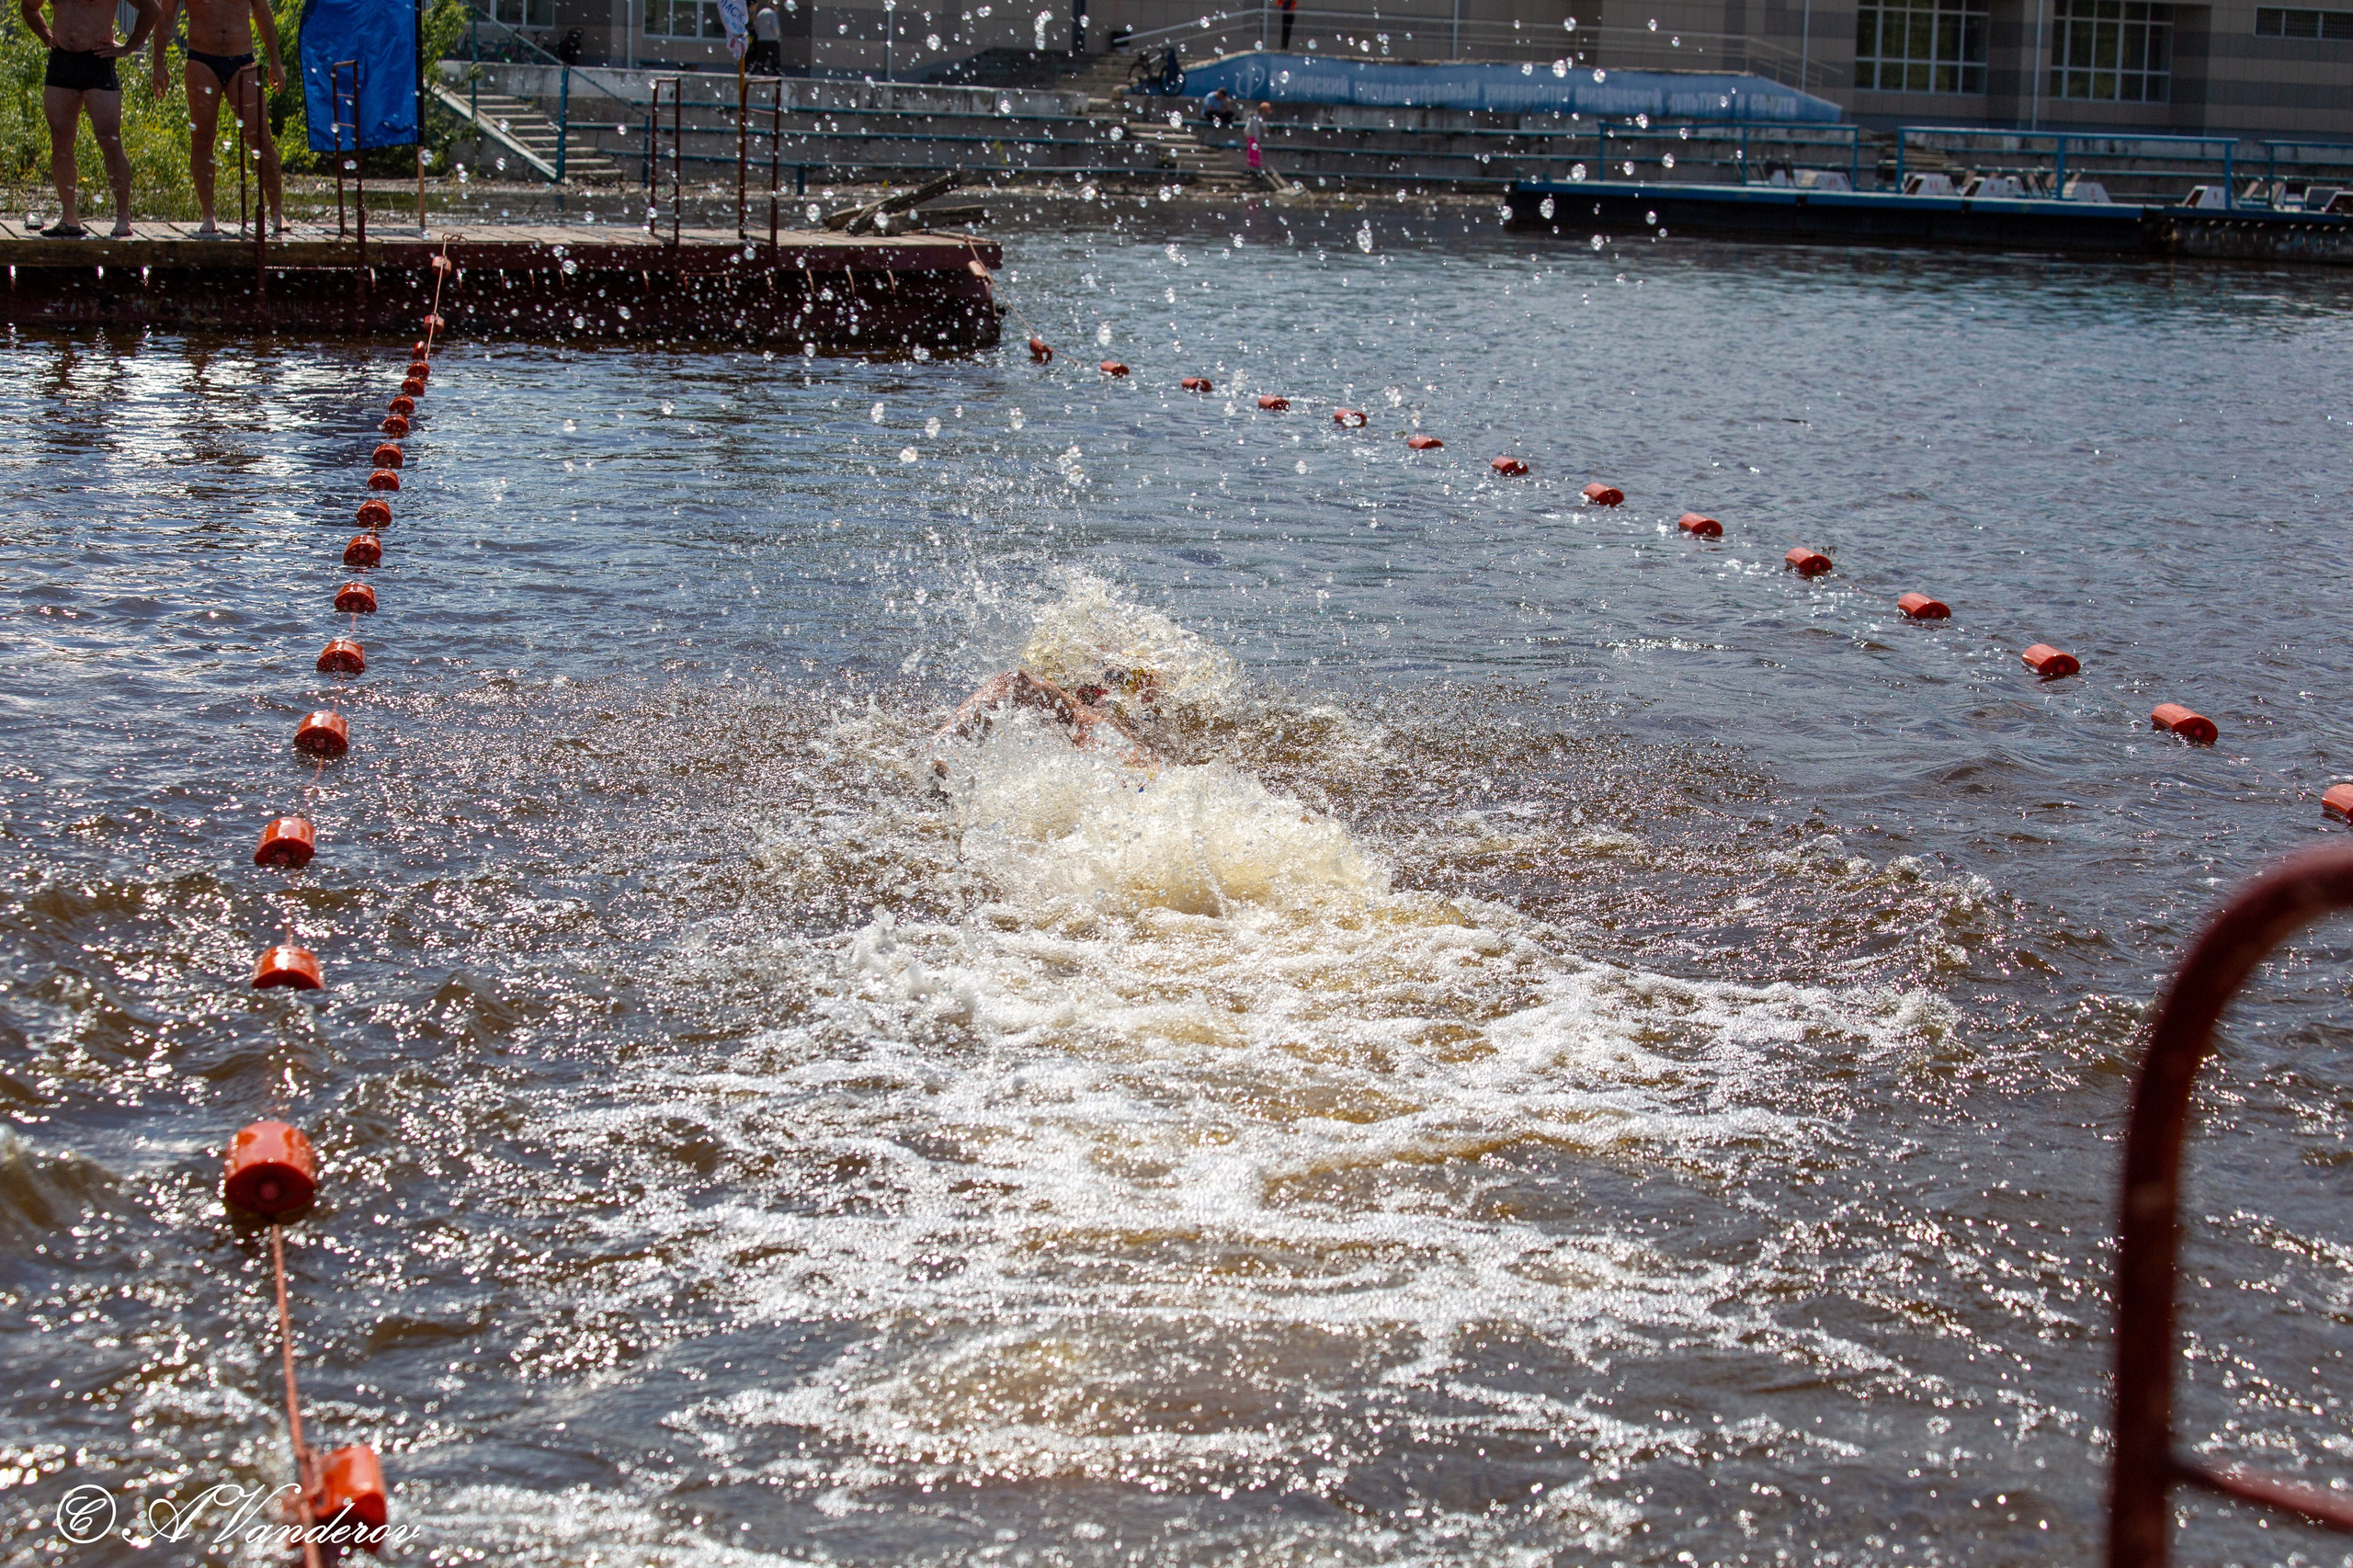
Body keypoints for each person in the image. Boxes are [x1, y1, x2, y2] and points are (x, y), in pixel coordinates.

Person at [24, 0, 159, 237]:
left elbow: (152, 8)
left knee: (110, 138)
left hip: (98, 60)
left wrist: (127, 47)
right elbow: (29, 6)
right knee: (60, 139)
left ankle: (122, 218)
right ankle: (69, 217)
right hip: (62, 61)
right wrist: (46, 36)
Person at [151, 0, 284, 238]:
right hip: (202, 58)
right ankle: (208, 214)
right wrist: (158, 64)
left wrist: (275, 61)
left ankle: (277, 211)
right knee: (202, 137)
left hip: (242, 58)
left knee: (261, 139)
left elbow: (262, 10)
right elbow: (165, 14)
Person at [931, 670, 1161, 777]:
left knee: (1014, 680)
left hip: (1101, 729)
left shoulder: (1089, 717)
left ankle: (940, 750)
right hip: (1101, 730)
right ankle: (941, 752)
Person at [747, 2, 782, 74]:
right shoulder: (773, 13)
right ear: (773, 5)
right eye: (777, 6)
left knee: (760, 58)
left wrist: (760, 35)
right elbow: (775, 28)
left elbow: (757, 26)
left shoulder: (761, 13)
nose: (778, 8)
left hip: (761, 40)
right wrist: (778, 36)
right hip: (772, 40)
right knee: (775, 59)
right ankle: (776, 74)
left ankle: (751, 72)